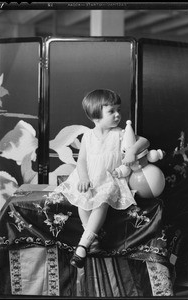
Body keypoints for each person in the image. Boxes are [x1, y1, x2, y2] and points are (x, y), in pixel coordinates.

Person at [54, 89, 149, 268]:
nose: (117, 115)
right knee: (83, 201)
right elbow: (81, 160)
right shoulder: (88, 136)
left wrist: (132, 150)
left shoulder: (121, 133)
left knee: (102, 201)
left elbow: (144, 141)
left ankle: (83, 245)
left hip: (110, 177)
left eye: (118, 110)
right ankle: (91, 238)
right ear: (96, 117)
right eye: (111, 111)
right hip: (89, 176)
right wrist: (83, 178)